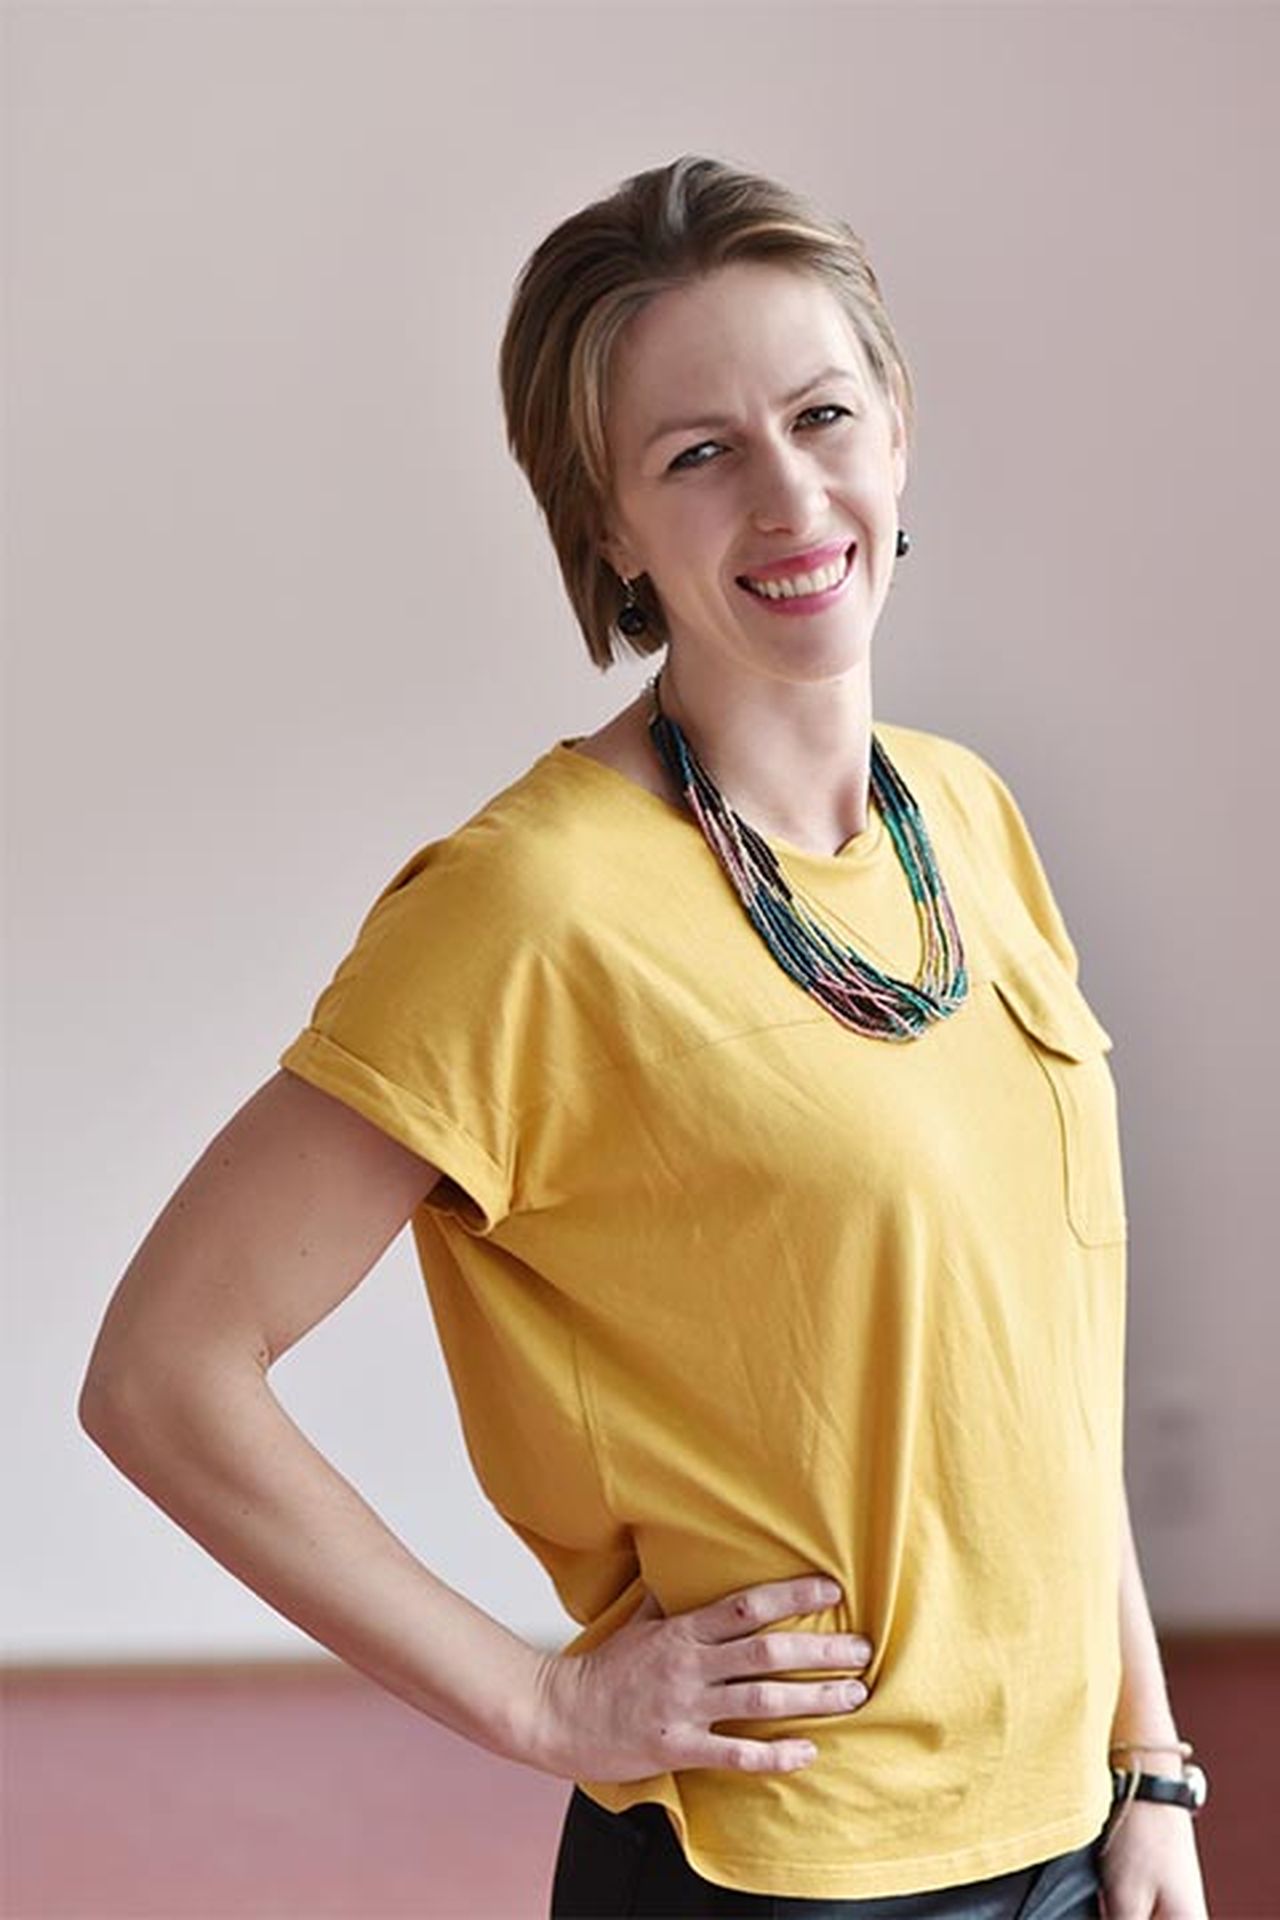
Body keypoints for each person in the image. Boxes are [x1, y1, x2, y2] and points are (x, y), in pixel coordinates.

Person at [79, 155, 1210, 1919]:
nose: (789, 494)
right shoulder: (531, 907)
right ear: (606, 527)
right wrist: (541, 1702)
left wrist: (1151, 1764)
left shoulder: (968, 823)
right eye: (697, 454)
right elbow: (163, 1371)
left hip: (1075, 1833)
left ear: (897, 432)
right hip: (783, 1864)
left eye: (822, 416)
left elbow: (1038, 1366)